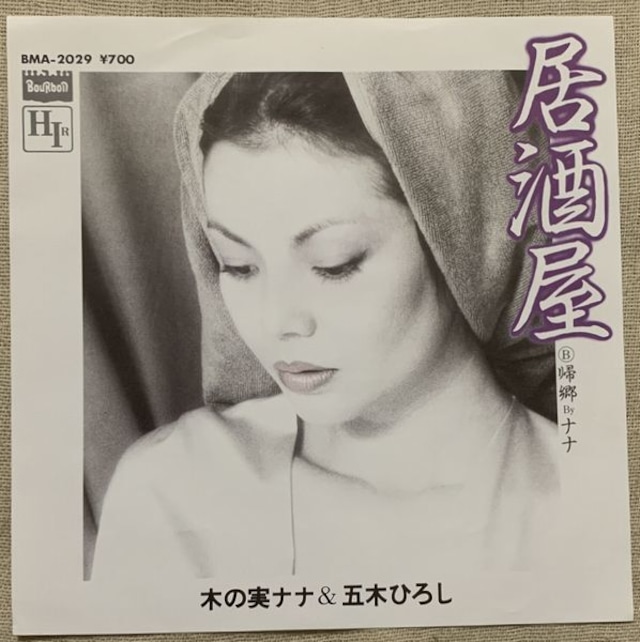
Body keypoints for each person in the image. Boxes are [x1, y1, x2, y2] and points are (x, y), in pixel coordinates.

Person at [91, 71, 560, 580]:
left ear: (467, 239)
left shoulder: (589, 508)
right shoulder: (172, 488)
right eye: (239, 266)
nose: (277, 321)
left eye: (334, 264)